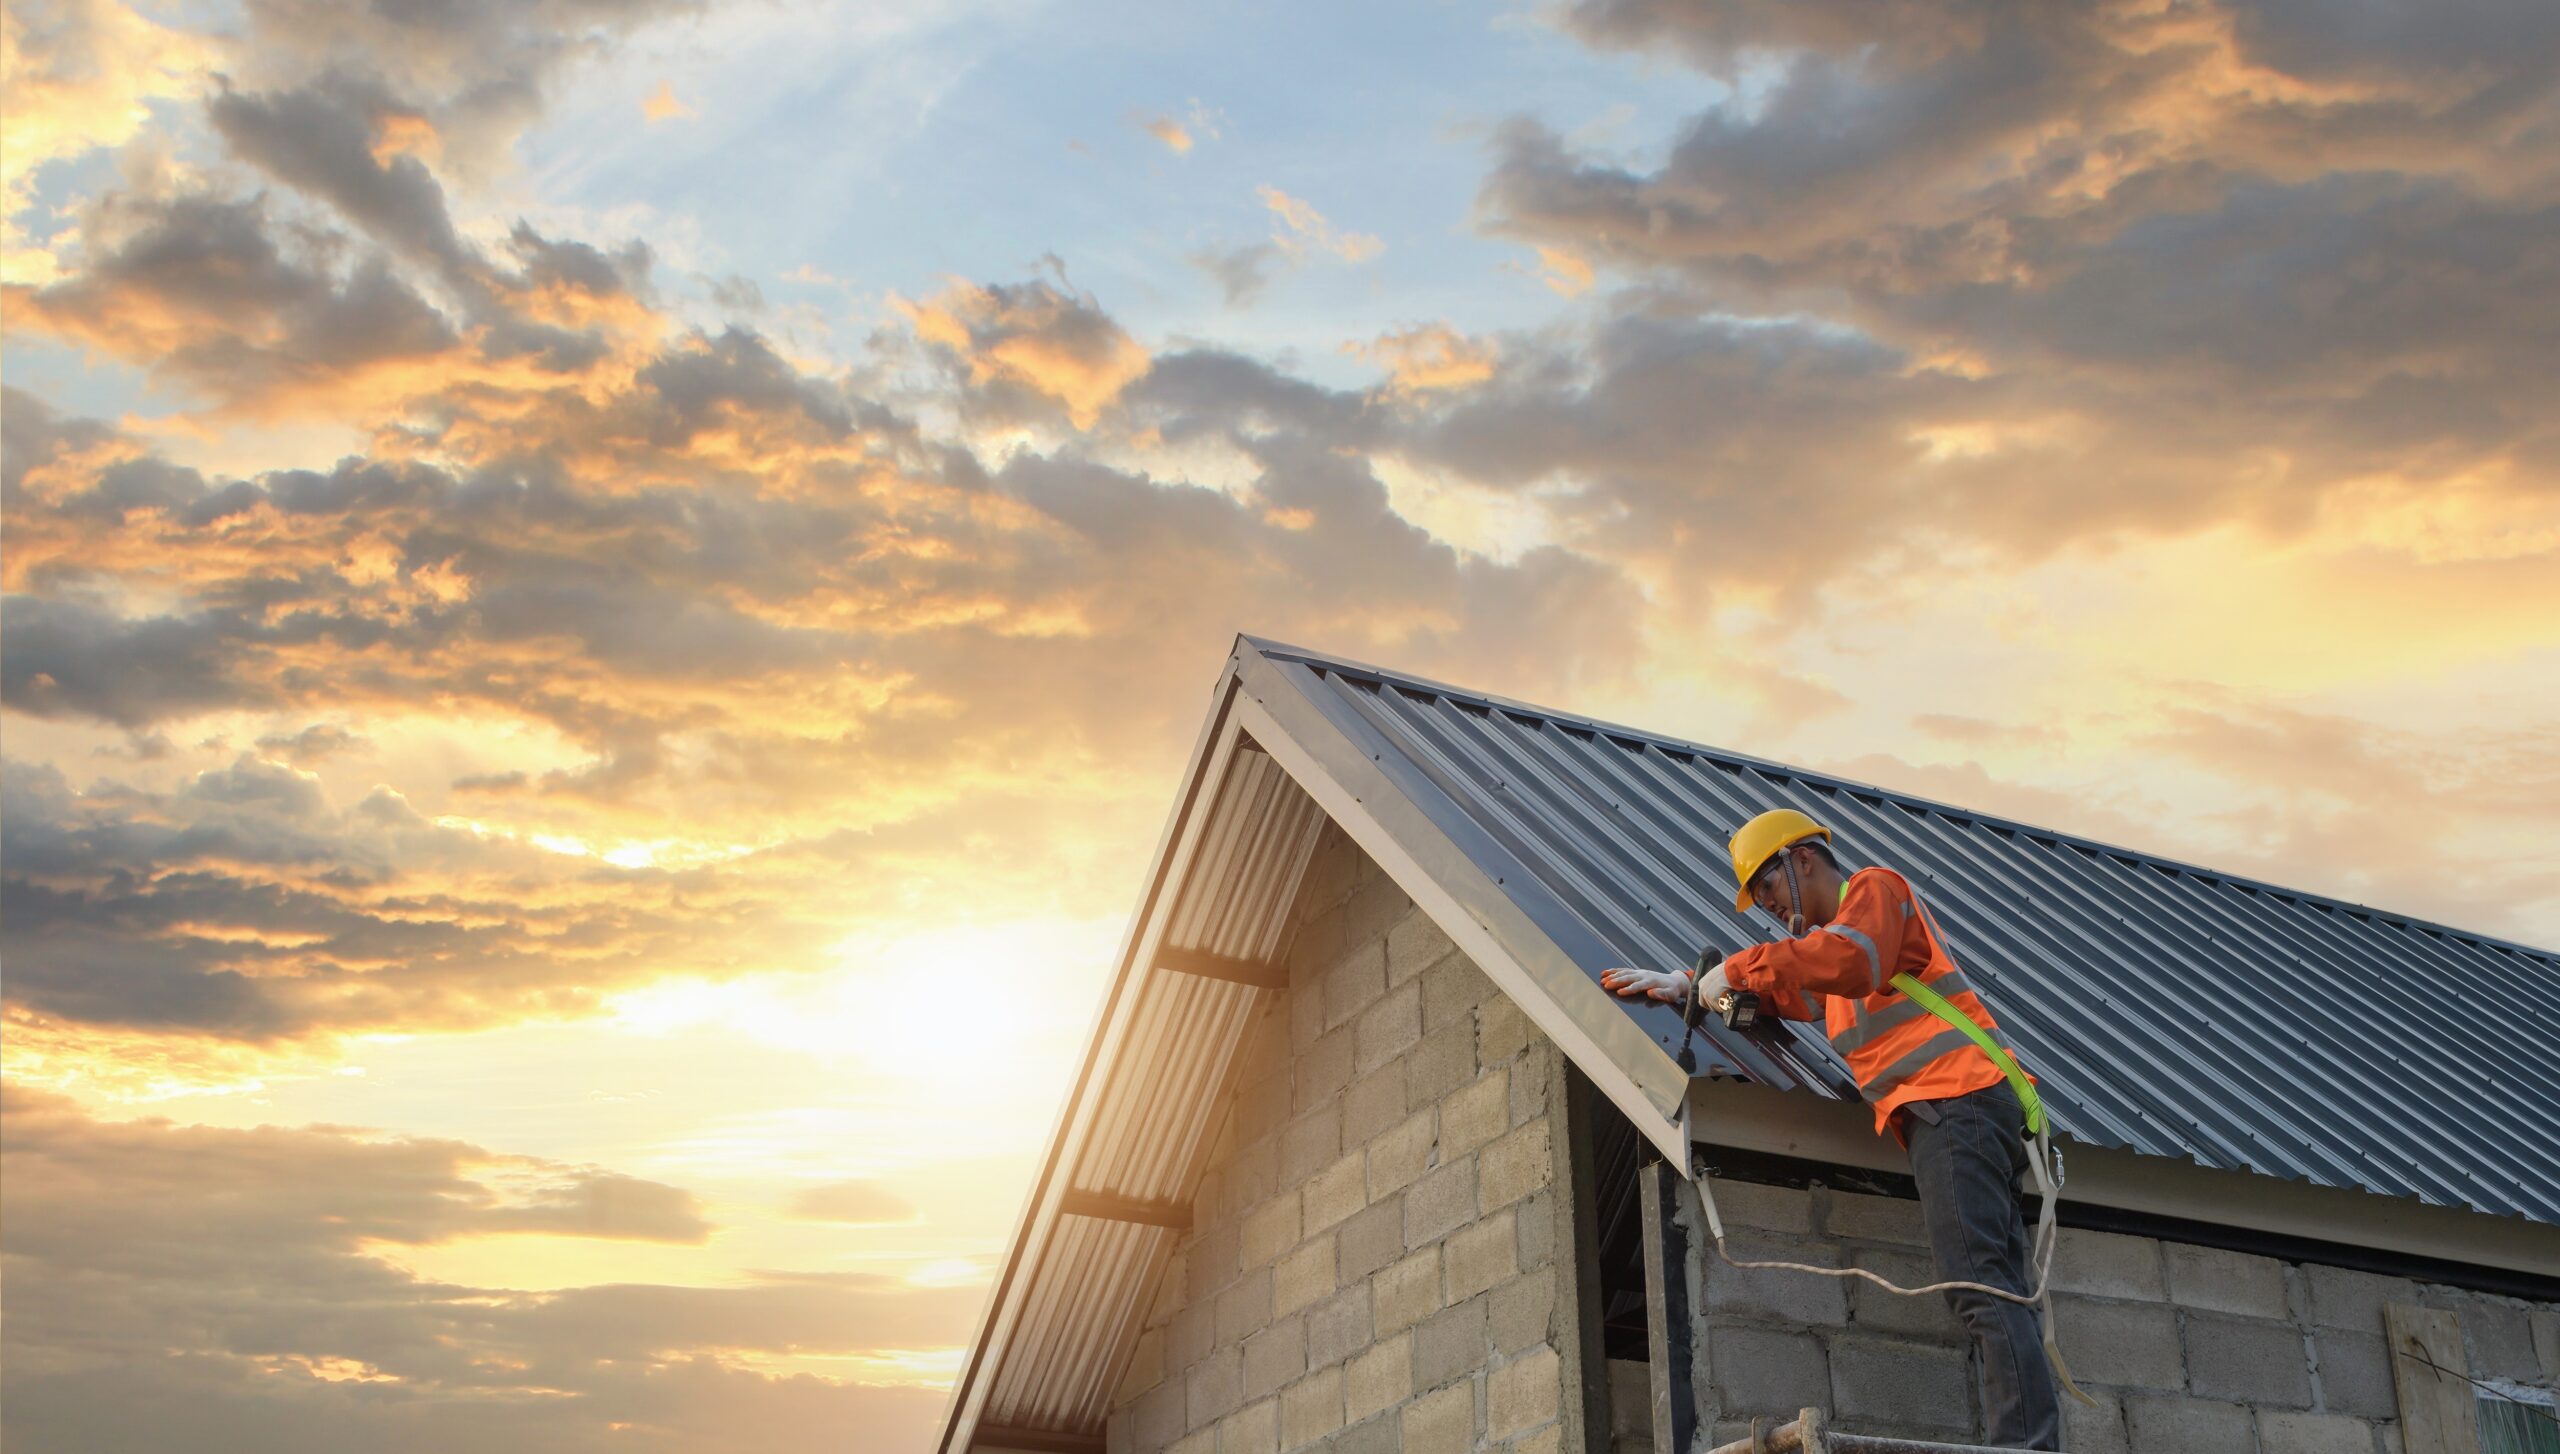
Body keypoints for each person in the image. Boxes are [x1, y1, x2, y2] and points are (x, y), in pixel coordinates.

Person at [1601, 807, 2063, 1451]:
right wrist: (1691, 986)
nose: (1765, 906)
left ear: (1804, 859)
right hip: (1956, 1111)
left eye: (1767, 886)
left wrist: (1730, 970)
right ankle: (2032, 1442)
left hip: (1957, 1102)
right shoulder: (1836, 964)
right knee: (1993, 1287)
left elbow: (1844, 960)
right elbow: (1787, 990)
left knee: (1977, 1285)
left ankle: (2028, 1448)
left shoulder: (1876, 893)